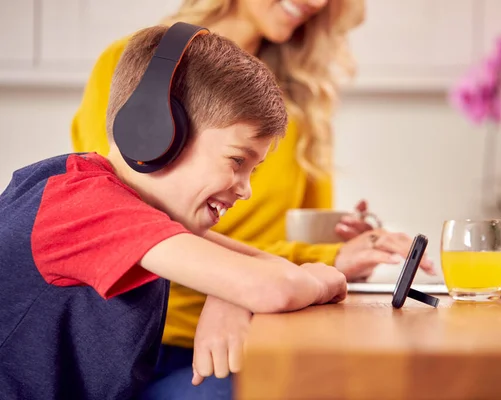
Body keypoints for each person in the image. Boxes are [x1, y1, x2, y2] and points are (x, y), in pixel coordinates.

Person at [70, 0, 436, 398]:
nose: (316, 2)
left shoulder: (300, 103)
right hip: (141, 341)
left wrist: (344, 247)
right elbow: (126, 215)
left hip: (257, 328)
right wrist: (239, 284)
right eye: (236, 161)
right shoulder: (147, 76)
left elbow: (301, 243)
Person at [0, 25, 349, 400]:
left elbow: (264, 272)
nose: (246, 190)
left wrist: (229, 293)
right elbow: (274, 286)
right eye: (236, 161)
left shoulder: (130, 207)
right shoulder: (82, 207)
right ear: (155, 134)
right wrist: (258, 286)